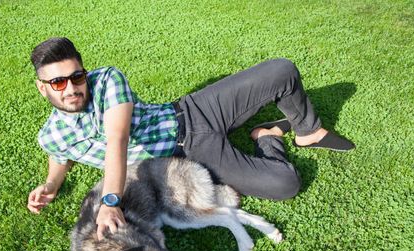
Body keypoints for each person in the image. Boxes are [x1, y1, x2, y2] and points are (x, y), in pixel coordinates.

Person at [27, 37, 354, 239]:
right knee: (286, 184)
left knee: (281, 70)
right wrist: (51, 185)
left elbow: (117, 138)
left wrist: (109, 201)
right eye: (57, 83)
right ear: (43, 88)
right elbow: (59, 156)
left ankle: (310, 131)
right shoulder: (53, 135)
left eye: (76, 76)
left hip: (192, 112)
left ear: (85, 71)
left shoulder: (107, 79)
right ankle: (267, 135)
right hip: (190, 158)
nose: (71, 88)